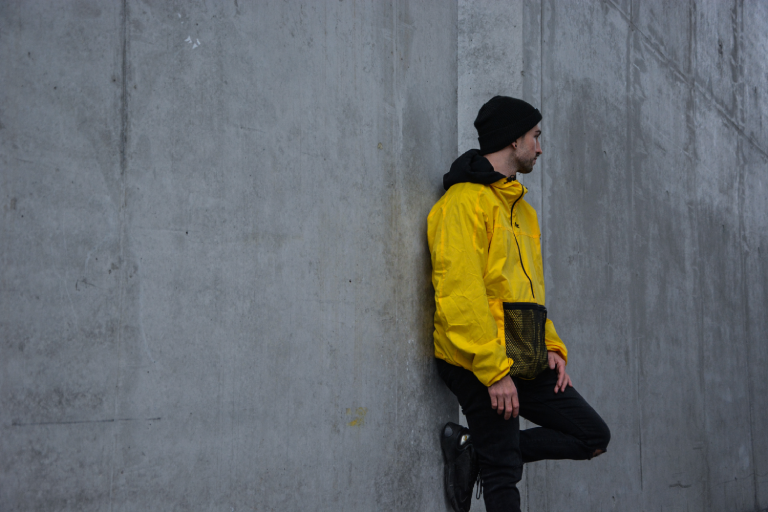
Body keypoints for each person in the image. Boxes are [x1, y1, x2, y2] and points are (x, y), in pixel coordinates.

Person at [428, 96, 610, 512]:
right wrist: (494, 373)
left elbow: (529, 292)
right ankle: (493, 454)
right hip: (475, 357)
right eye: (535, 137)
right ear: (514, 139)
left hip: (522, 350)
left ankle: (477, 449)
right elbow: (460, 294)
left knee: (592, 436)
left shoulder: (522, 212)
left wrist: (551, 346)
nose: (539, 148)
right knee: (504, 474)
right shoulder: (462, 203)